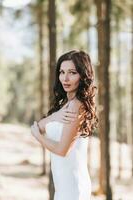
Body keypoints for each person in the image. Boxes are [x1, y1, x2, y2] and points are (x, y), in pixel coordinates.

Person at [31, 50, 98, 200]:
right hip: (63, 184)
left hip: (73, 187)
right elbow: (39, 126)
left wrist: (38, 137)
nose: (65, 78)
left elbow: (62, 150)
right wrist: (55, 116)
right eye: (62, 72)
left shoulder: (76, 106)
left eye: (72, 72)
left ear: (83, 75)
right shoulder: (65, 105)